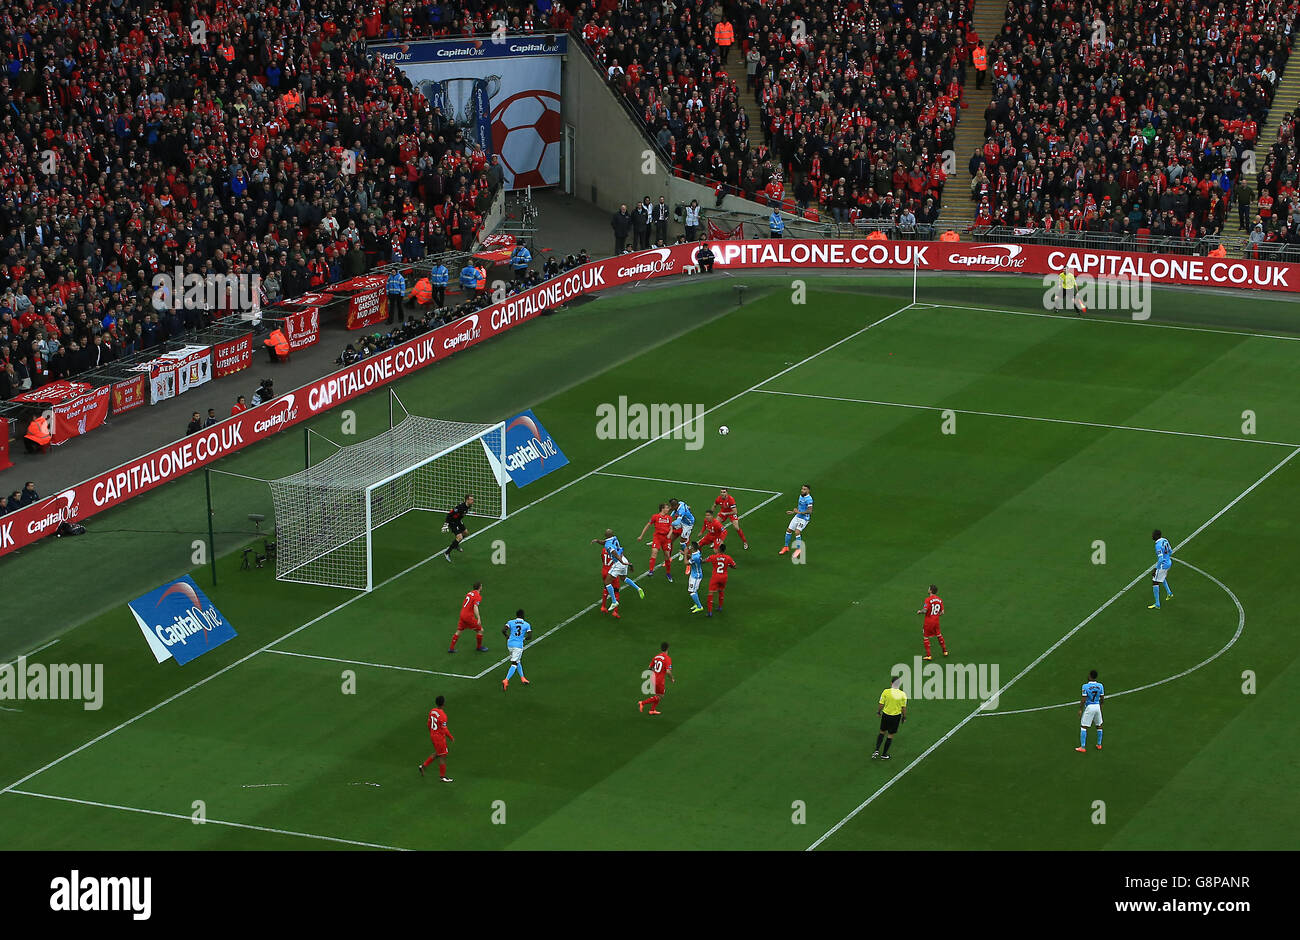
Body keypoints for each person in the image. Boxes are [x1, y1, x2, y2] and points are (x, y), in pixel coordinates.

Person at [591, 528, 644, 617]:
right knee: (623, 578)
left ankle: (614, 602)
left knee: (607, 582)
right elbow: (604, 542)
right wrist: (597, 541)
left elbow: (614, 553)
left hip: (619, 562)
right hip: (623, 558)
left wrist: (621, 562)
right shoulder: (614, 538)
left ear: (606, 536)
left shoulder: (608, 546)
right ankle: (638, 588)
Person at [418, 695, 455, 782]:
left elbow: (428, 723)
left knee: (438, 753)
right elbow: (444, 729)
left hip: (433, 735)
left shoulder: (432, 711)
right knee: (443, 756)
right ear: (443, 703)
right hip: (439, 738)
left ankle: (423, 766)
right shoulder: (443, 716)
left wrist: (432, 732)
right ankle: (442, 777)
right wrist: (451, 737)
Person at [447, 581, 489, 653]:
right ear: (480, 587)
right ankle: (479, 647)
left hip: (462, 614)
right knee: (480, 630)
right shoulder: (478, 596)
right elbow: (475, 606)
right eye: (481, 586)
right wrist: (478, 618)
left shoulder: (469, 593)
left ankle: (451, 648)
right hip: (468, 616)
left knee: (459, 630)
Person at [637, 502, 675, 581]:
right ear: (662, 509)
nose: (668, 509)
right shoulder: (655, 517)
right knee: (654, 552)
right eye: (667, 508)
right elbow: (647, 525)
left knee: (667, 555)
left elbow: (671, 528)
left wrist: (669, 534)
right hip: (657, 537)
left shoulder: (669, 518)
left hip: (666, 539)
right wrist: (641, 536)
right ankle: (651, 571)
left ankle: (668, 573)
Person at [873, 676, 908, 759]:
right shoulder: (903, 694)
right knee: (890, 735)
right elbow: (903, 708)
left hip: (885, 715)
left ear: (891, 683)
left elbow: (881, 704)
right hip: (895, 717)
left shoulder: (886, 692)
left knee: (882, 732)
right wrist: (904, 717)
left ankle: (877, 750)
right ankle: (884, 754)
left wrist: (878, 712)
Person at [637, 642, 674, 715]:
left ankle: (652, 710)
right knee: (661, 695)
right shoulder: (667, 658)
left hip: (653, 679)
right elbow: (668, 672)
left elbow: (649, 668)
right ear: (667, 649)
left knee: (658, 695)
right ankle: (642, 703)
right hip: (659, 681)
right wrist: (671, 679)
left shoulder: (656, 657)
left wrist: (656, 672)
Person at [501, 609, 532, 691]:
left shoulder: (511, 622)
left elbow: (503, 630)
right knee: (514, 663)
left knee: (518, 661)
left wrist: (507, 636)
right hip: (518, 646)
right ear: (523, 616)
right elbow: (530, 636)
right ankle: (506, 680)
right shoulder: (526, 624)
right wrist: (523, 638)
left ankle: (522, 678)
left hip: (510, 644)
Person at [779, 484, 813, 556]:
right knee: (789, 530)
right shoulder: (801, 496)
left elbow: (810, 511)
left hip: (804, 519)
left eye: (804, 489)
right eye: (802, 489)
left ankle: (798, 549)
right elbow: (800, 507)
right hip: (797, 516)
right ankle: (786, 547)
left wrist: (799, 512)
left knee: (797, 532)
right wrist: (793, 512)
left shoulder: (809, 499)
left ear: (808, 490)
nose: (802, 490)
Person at [704, 542, 737, 616]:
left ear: (719, 549)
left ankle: (709, 612)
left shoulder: (713, 557)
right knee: (721, 590)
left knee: (711, 593)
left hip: (715, 577)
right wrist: (729, 565)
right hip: (724, 577)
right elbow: (734, 566)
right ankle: (720, 607)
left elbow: (703, 561)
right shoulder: (728, 557)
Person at [1076, 670, 1105, 752]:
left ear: (1090, 676)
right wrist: (1101, 706)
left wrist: (1080, 709)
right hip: (1097, 706)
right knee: (1099, 725)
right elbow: (1102, 698)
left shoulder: (1085, 686)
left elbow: (1083, 699)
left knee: (1083, 726)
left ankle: (1082, 747)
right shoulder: (1100, 686)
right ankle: (1099, 744)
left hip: (1089, 707)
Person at [917, 584, 948, 660]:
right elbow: (942, 612)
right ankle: (945, 651)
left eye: (928, 588)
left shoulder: (928, 599)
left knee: (926, 637)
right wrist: (936, 615)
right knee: (939, 635)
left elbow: (925, 610)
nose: (928, 589)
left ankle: (929, 655)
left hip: (928, 622)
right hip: (936, 621)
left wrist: (920, 611)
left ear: (930, 590)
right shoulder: (940, 600)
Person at [442, 494, 475, 560]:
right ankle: (447, 553)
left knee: (465, 533)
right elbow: (450, 514)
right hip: (452, 522)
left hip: (458, 521)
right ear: (467, 500)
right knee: (459, 537)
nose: (473, 501)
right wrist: (446, 525)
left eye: (473, 499)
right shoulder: (460, 507)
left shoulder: (468, 506)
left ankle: (456, 545)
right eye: (471, 499)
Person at [1149, 529, 1174, 609]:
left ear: (1156, 536)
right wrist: (1167, 558)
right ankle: (1169, 592)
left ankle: (1157, 604)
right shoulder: (1165, 540)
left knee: (1155, 581)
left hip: (1163, 565)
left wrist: (1156, 569)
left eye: (1153, 534)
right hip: (1169, 562)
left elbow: (1160, 559)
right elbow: (1170, 551)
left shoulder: (1158, 545)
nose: (1152, 536)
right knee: (1162, 577)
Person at [686, 540, 705, 613]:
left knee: (691, 591)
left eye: (691, 546)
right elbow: (692, 558)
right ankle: (696, 604)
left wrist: (685, 554)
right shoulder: (697, 553)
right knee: (694, 590)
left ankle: (699, 606)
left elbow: (686, 563)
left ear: (693, 548)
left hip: (696, 576)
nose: (689, 547)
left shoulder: (695, 557)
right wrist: (687, 555)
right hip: (694, 574)